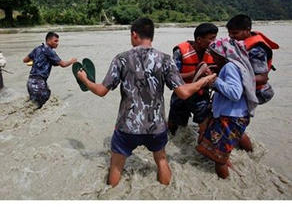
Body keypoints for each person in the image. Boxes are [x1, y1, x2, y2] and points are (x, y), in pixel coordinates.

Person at [76, 18, 216, 187]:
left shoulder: (121, 59)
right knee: (162, 161)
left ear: (134, 34)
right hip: (156, 127)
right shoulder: (165, 59)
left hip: (127, 126)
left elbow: (101, 91)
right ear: (152, 35)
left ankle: (111, 196)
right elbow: (184, 92)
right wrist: (205, 80)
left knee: (116, 166)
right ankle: (166, 195)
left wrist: (84, 79)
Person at [196, 37, 258, 179]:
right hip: (237, 115)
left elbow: (235, 94)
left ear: (222, 54)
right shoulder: (239, 65)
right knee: (223, 151)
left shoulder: (229, 67)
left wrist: (214, 80)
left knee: (218, 158)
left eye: (214, 54)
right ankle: (251, 160)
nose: (212, 57)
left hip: (229, 117)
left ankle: (225, 183)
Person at [168, 23, 218, 135]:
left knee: (205, 125)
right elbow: (172, 77)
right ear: (199, 39)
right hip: (182, 92)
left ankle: (203, 146)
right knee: (173, 126)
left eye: (215, 38)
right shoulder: (180, 51)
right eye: (211, 38)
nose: (214, 42)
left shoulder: (215, 52)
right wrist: (197, 73)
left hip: (201, 94)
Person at [227, 14, 279, 105]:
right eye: (230, 33)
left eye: (235, 33)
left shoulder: (257, 50)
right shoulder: (240, 42)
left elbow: (262, 78)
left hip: (258, 92)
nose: (231, 36)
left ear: (247, 30)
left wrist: (232, 79)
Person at [23, 31, 77, 108]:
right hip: (39, 84)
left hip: (30, 82)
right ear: (48, 40)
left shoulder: (37, 49)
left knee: (34, 106)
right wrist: (72, 61)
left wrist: (37, 61)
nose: (57, 43)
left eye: (58, 41)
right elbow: (63, 64)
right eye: (55, 41)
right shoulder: (50, 51)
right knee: (44, 105)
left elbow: (25, 60)